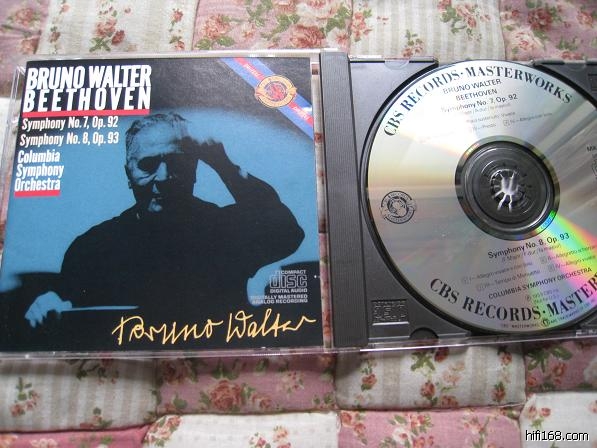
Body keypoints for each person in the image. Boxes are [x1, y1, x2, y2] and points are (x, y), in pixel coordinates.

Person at [25, 112, 305, 328]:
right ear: (128, 174)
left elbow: (285, 231)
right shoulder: (92, 247)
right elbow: (64, 304)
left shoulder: (225, 228)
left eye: (177, 164)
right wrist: (48, 304)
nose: (163, 178)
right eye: (147, 165)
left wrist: (222, 163)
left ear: (195, 170)